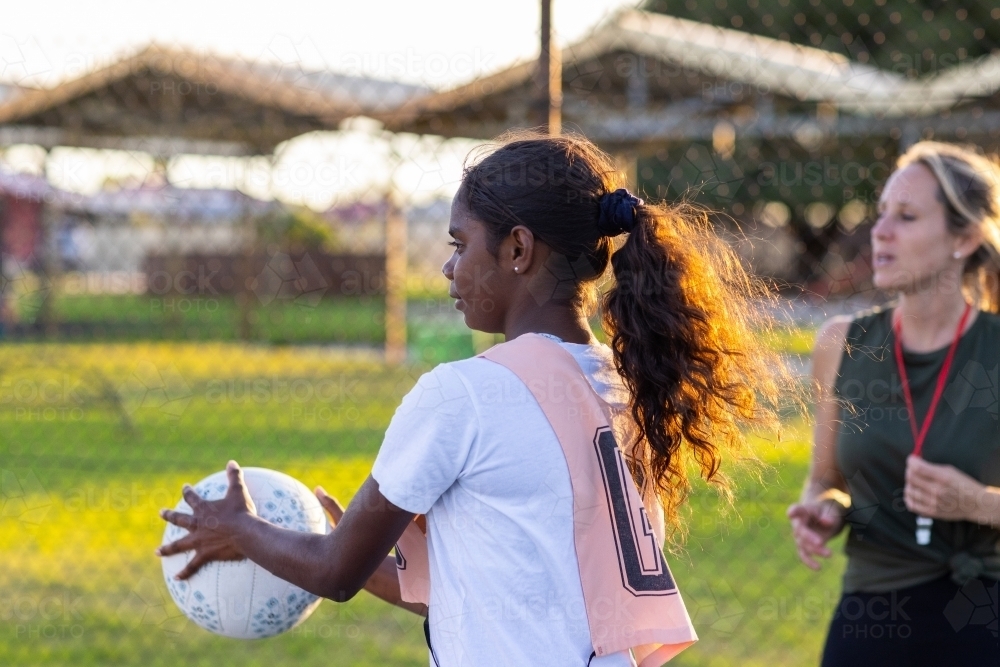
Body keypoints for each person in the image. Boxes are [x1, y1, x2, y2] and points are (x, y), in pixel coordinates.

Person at [157, 132, 786, 665]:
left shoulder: (467, 394)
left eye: (460, 245)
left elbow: (332, 573)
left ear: (517, 248)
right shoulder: (623, 386)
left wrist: (236, 526)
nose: (447, 269)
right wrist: (344, 544)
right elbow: (493, 585)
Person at [788, 141, 1000, 666]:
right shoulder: (840, 344)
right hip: (870, 618)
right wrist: (822, 511)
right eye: (881, 213)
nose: (879, 232)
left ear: (966, 237)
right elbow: (826, 480)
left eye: (906, 217)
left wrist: (975, 502)